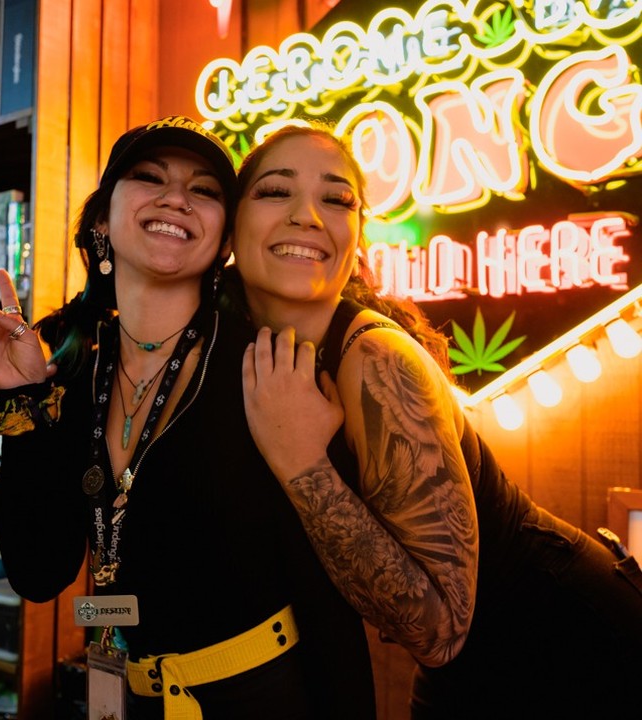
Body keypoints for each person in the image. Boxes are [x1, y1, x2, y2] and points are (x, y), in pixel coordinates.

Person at [0, 115, 476, 720]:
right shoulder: (75, 367)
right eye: (149, 178)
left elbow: (346, 611)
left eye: (202, 189)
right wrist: (20, 400)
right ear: (101, 221)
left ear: (224, 238)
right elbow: (38, 572)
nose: (176, 198)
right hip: (130, 692)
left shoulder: (271, 364)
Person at [224, 122, 642, 719]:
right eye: (275, 191)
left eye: (336, 199)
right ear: (231, 222)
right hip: (470, 669)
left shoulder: (377, 359)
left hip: (572, 644)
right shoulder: (242, 347)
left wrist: (301, 463)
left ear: (356, 236)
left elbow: (440, 632)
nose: (307, 216)